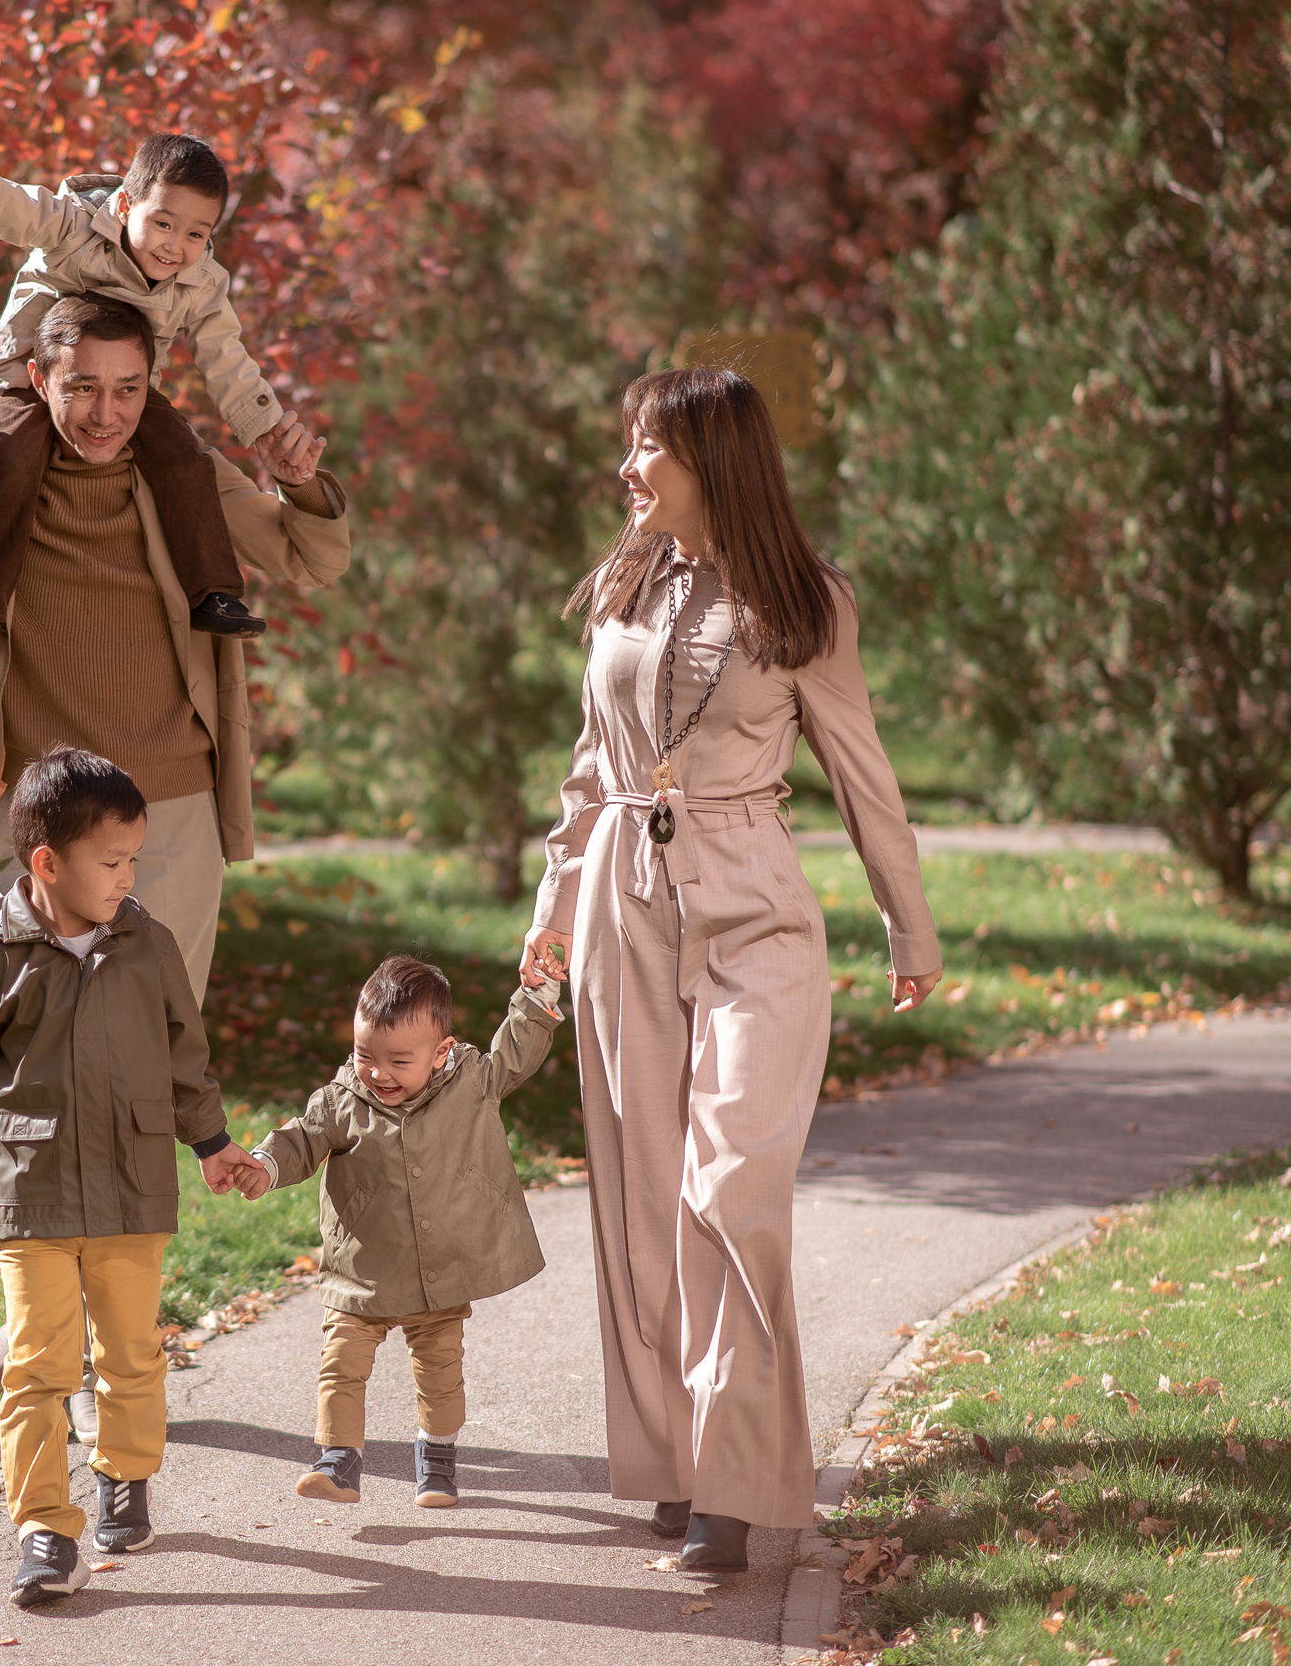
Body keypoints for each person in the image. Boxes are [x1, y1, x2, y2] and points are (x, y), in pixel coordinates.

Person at [518, 366, 942, 1572]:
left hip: (754, 901)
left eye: (647, 448)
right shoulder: (623, 583)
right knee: (642, 1196)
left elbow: (864, 771)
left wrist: (905, 925)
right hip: (617, 899)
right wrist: (554, 908)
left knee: (730, 1184)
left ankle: (738, 1482)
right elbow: (587, 769)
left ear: (713, 461)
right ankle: (674, 1460)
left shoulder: (806, 604)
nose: (626, 470)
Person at [0, 139, 351, 1008]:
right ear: (38, 376)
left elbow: (309, 555)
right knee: (38, 1058)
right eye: (83, 389)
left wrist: (295, 478)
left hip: (173, 807)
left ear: (152, 382)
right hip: (41, 805)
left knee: (154, 1058)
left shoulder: (184, 473)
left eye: (129, 390)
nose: (107, 414)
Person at [0, 748, 265, 1607]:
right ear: (46, 862)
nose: (127, 876)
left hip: (131, 1183)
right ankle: (43, 1525)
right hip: (30, 1186)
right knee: (39, 1363)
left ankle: (124, 1475)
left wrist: (212, 1141)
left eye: (133, 859)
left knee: (130, 1352)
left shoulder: (147, 945)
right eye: (111, 861)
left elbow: (186, 1055)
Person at [0, 132, 285, 657]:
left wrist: (266, 428)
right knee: (10, 458)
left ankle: (213, 592)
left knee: (186, 459)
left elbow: (226, 358)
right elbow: (19, 208)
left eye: (197, 233)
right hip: (37, 382)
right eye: (163, 223)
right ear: (125, 206)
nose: (176, 245)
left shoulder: (200, 282)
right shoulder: (77, 226)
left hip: (124, 392)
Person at [236, 955, 559, 1509]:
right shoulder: (341, 1101)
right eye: (366, 1056)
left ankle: (436, 1457)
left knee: (439, 1370)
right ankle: (337, 1460)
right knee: (340, 1363)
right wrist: (265, 1165)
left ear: (440, 1053)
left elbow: (517, 1051)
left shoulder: (473, 1081)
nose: (379, 1073)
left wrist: (539, 993)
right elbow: (301, 1140)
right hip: (361, 1272)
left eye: (398, 1061)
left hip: (439, 1271)